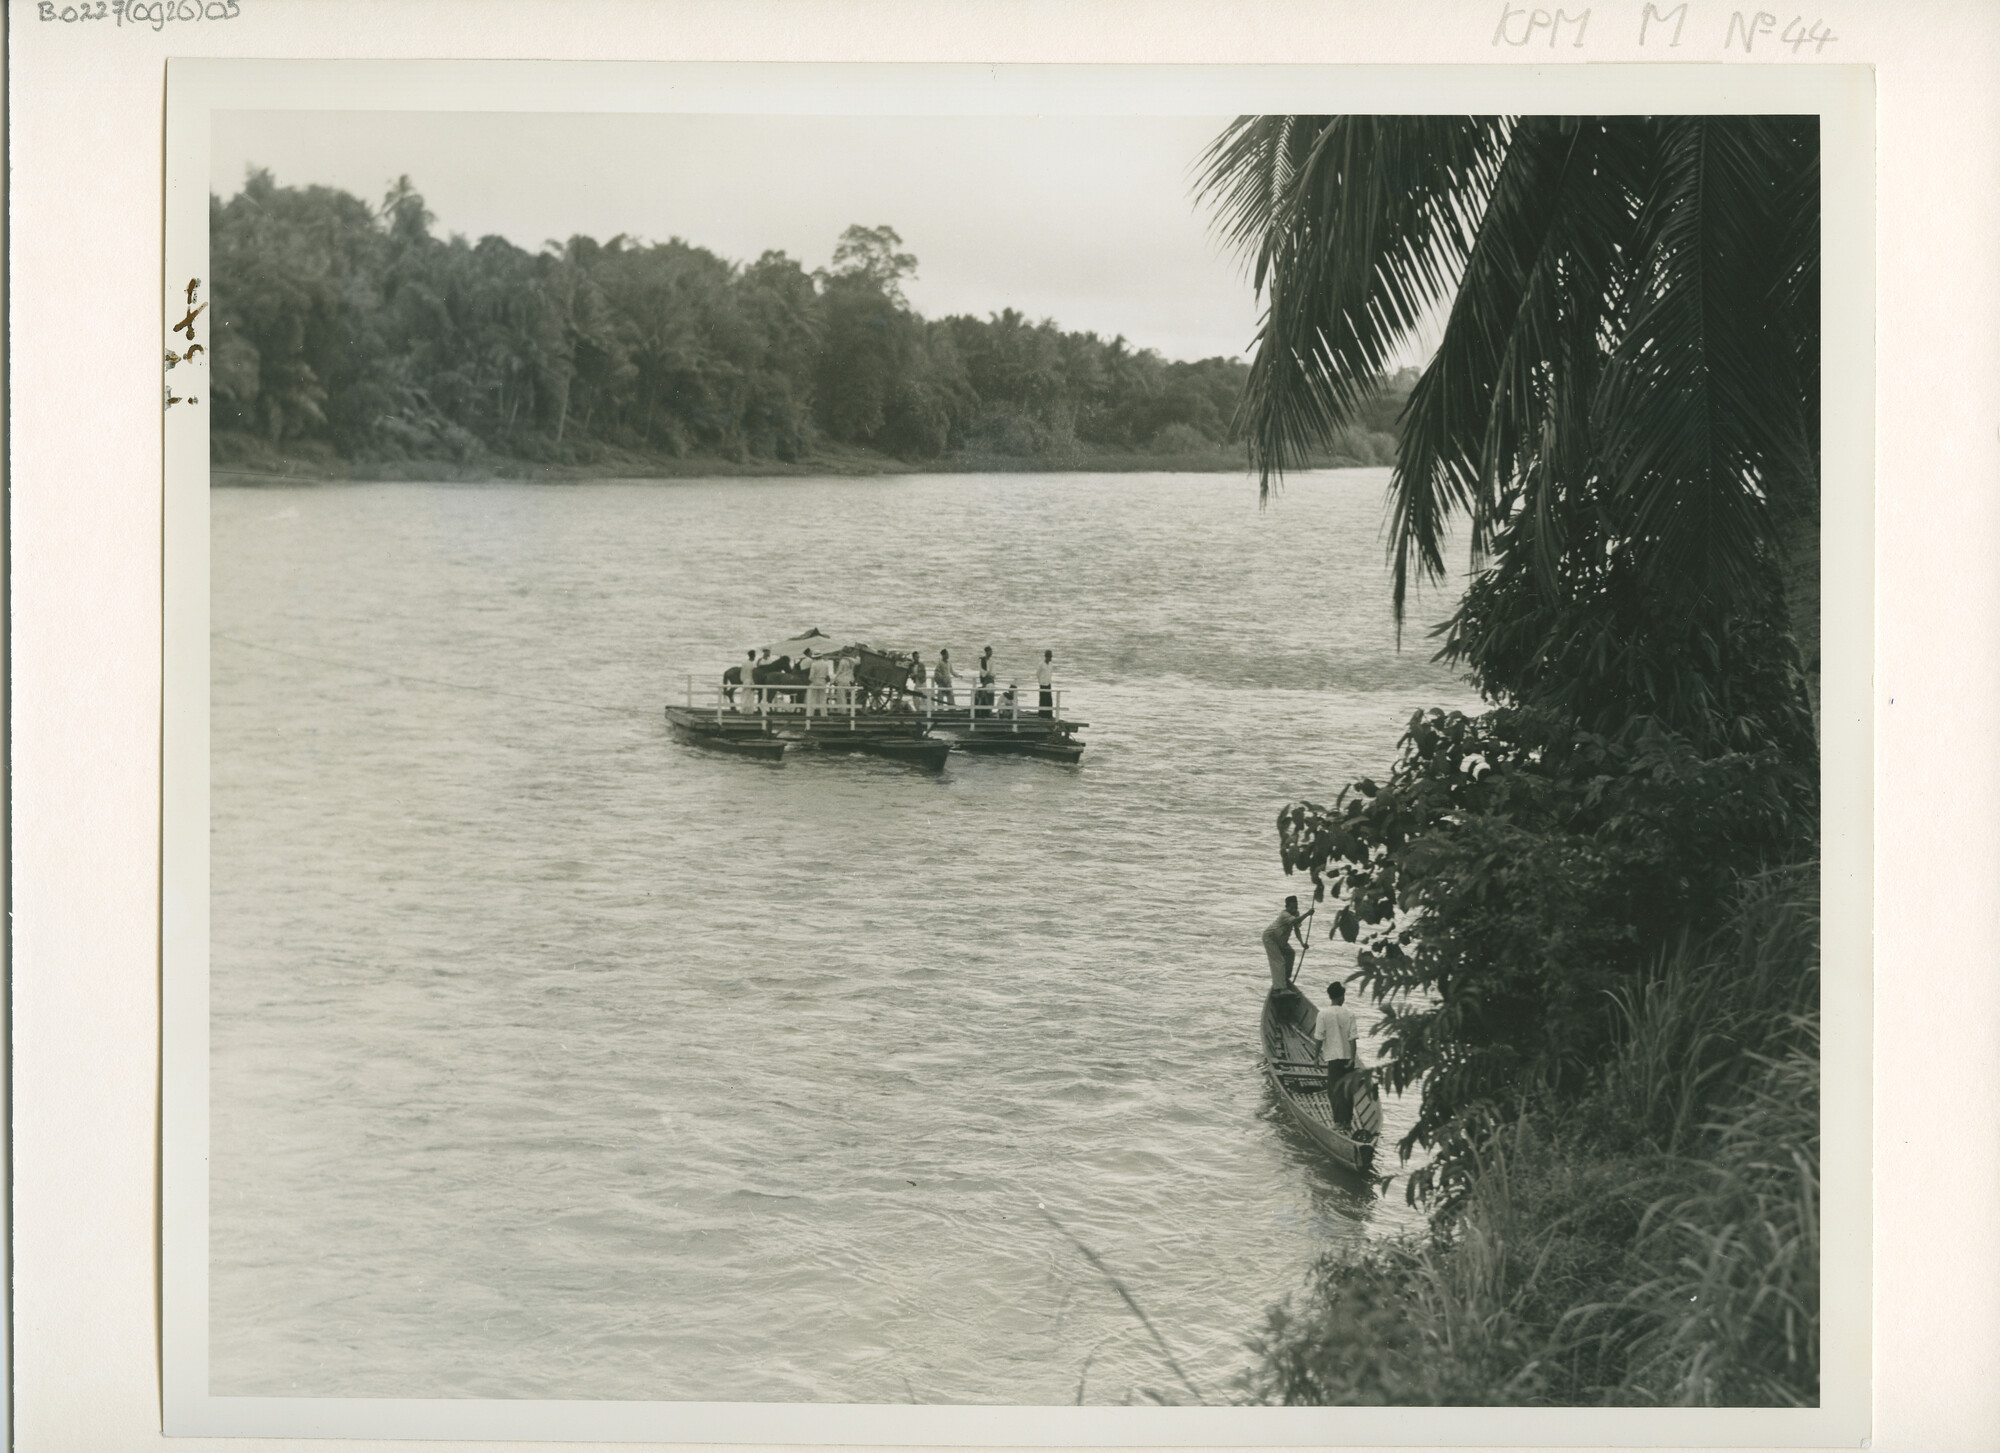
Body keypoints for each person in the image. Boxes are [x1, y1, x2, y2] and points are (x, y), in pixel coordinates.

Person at [1316, 981, 1362, 1129]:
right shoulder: (1349, 1014)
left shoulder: (1323, 1014)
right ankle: (1347, 1122)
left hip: (1333, 1058)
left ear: (1330, 997)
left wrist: (1315, 1057)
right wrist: (1353, 1059)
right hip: (1348, 1057)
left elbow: (1319, 1038)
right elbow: (1353, 1039)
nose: (1344, 998)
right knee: (1347, 1090)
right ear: (1341, 996)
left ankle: (1338, 1122)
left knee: (1335, 1091)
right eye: (1343, 995)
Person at [1262, 895, 1309, 993]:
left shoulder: (1295, 914)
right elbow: (1296, 921)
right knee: (1279, 962)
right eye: (1291, 907)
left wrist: (1302, 943)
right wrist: (1308, 913)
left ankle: (1284, 979)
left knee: (1291, 953)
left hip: (1281, 940)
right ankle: (1281, 988)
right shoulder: (1284, 915)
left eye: (1296, 907)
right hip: (1270, 938)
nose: (1294, 909)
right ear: (1286, 907)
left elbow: (1297, 929)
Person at [805, 649, 831, 717]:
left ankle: (810, 715)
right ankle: (824, 715)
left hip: (815, 682)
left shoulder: (814, 664)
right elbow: (827, 674)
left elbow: (811, 676)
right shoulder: (826, 664)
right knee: (823, 699)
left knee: (812, 698)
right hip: (823, 682)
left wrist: (811, 680)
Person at [1037, 649, 1055, 717]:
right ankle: (1042, 714)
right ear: (1046, 657)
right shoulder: (1041, 664)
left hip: (1048, 683)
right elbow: (1038, 674)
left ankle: (1049, 714)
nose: (1050, 658)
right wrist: (1040, 681)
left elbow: (1050, 673)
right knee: (1042, 699)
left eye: (1051, 657)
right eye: (1049, 657)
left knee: (1049, 700)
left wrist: (1049, 681)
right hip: (1042, 684)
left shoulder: (1051, 664)